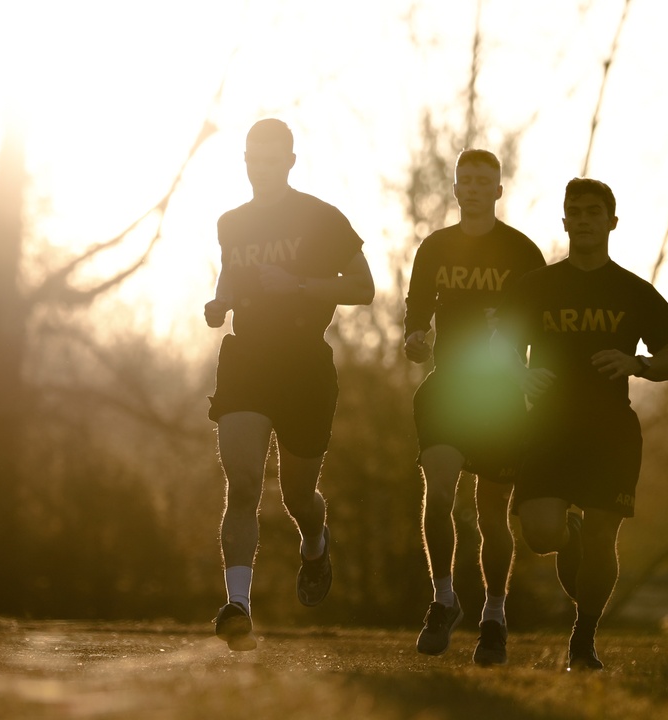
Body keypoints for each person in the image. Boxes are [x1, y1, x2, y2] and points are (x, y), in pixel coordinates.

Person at [490, 178, 668, 670]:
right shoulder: (538, 286)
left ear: (611, 222)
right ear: (564, 221)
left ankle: (584, 637)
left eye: (593, 212)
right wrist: (521, 372)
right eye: (574, 211)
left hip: (610, 431)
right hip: (548, 428)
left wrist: (635, 363)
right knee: (540, 534)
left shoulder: (632, 290)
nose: (582, 218)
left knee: (604, 536)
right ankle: (567, 534)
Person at [204, 119, 375, 651]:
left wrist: (299, 284)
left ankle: (315, 542)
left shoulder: (321, 218)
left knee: (298, 495)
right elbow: (230, 277)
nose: (263, 165)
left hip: (303, 365)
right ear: (247, 161)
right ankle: (238, 604)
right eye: (255, 156)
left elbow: (365, 288)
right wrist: (220, 302)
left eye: (273, 157)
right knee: (244, 482)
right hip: (247, 361)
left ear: (291, 161)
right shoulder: (231, 222)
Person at [403, 149, 545, 665]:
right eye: (467, 180)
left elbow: (539, 323)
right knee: (439, 495)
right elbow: (416, 310)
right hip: (447, 390)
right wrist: (415, 337)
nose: (475, 188)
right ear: (457, 189)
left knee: (491, 515)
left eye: (486, 180)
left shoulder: (522, 253)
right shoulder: (435, 248)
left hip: (501, 397)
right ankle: (443, 600)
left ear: (499, 189)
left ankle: (493, 614)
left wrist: (527, 372)